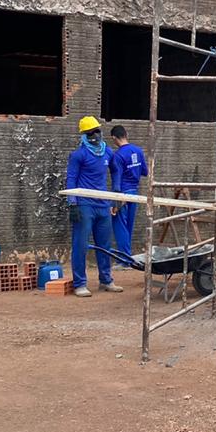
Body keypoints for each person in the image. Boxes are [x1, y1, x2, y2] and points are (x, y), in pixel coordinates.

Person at [65, 116, 124, 298]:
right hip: (84, 205)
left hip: (103, 204)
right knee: (81, 244)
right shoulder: (78, 155)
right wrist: (72, 203)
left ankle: (106, 280)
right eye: (90, 133)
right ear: (84, 135)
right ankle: (80, 283)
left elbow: (116, 170)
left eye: (96, 131)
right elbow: (71, 179)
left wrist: (116, 192)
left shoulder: (107, 153)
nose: (95, 135)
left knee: (104, 244)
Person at [108, 125, 147, 256]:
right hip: (134, 192)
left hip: (122, 193)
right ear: (126, 134)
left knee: (120, 226)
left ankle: (124, 259)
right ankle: (127, 256)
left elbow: (116, 179)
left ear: (114, 138)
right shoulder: (138, 151)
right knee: (129, 225)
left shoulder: (118, 156)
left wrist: (116, 201)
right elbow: (145, 172)